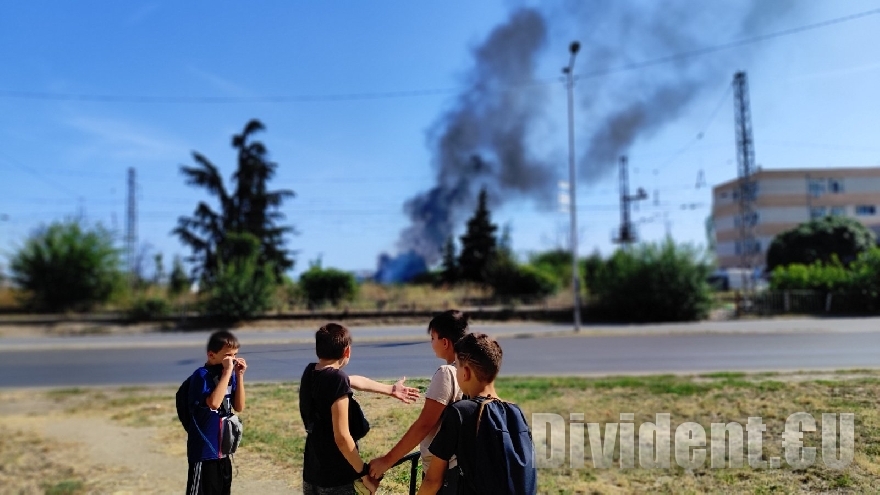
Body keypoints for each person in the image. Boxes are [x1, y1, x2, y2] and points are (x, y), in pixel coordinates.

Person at [300, 322, 420, 494]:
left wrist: (390, 389)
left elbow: (354, 380)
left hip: (312, 472)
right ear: (347, 351)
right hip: (337, 477)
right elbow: (342, 438)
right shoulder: (336, 380)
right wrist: (363, 474)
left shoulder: (311, 372)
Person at [418, 333, 536, 495]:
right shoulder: (515, 411)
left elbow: (433, 480)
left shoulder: (460, 412)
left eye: (457, 366)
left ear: (465, 372)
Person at [369, 310, 469, 493]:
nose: (431, 343)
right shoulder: (470, 371)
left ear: (445, 342)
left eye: (433, 338)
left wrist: (386, 461)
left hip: (442, 474)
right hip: (463, 469)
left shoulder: (447, 373)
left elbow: (424, 425)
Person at [184, 330, 248, 495]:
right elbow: (213, 403)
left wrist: (239, 376)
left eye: (235, 355)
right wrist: (227, 372)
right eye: (228, 355)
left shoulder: (228, 375)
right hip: (204, 453)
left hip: (222, 451)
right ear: (211, 355)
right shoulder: (201, 376)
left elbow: (239, 406)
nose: (232, 360)